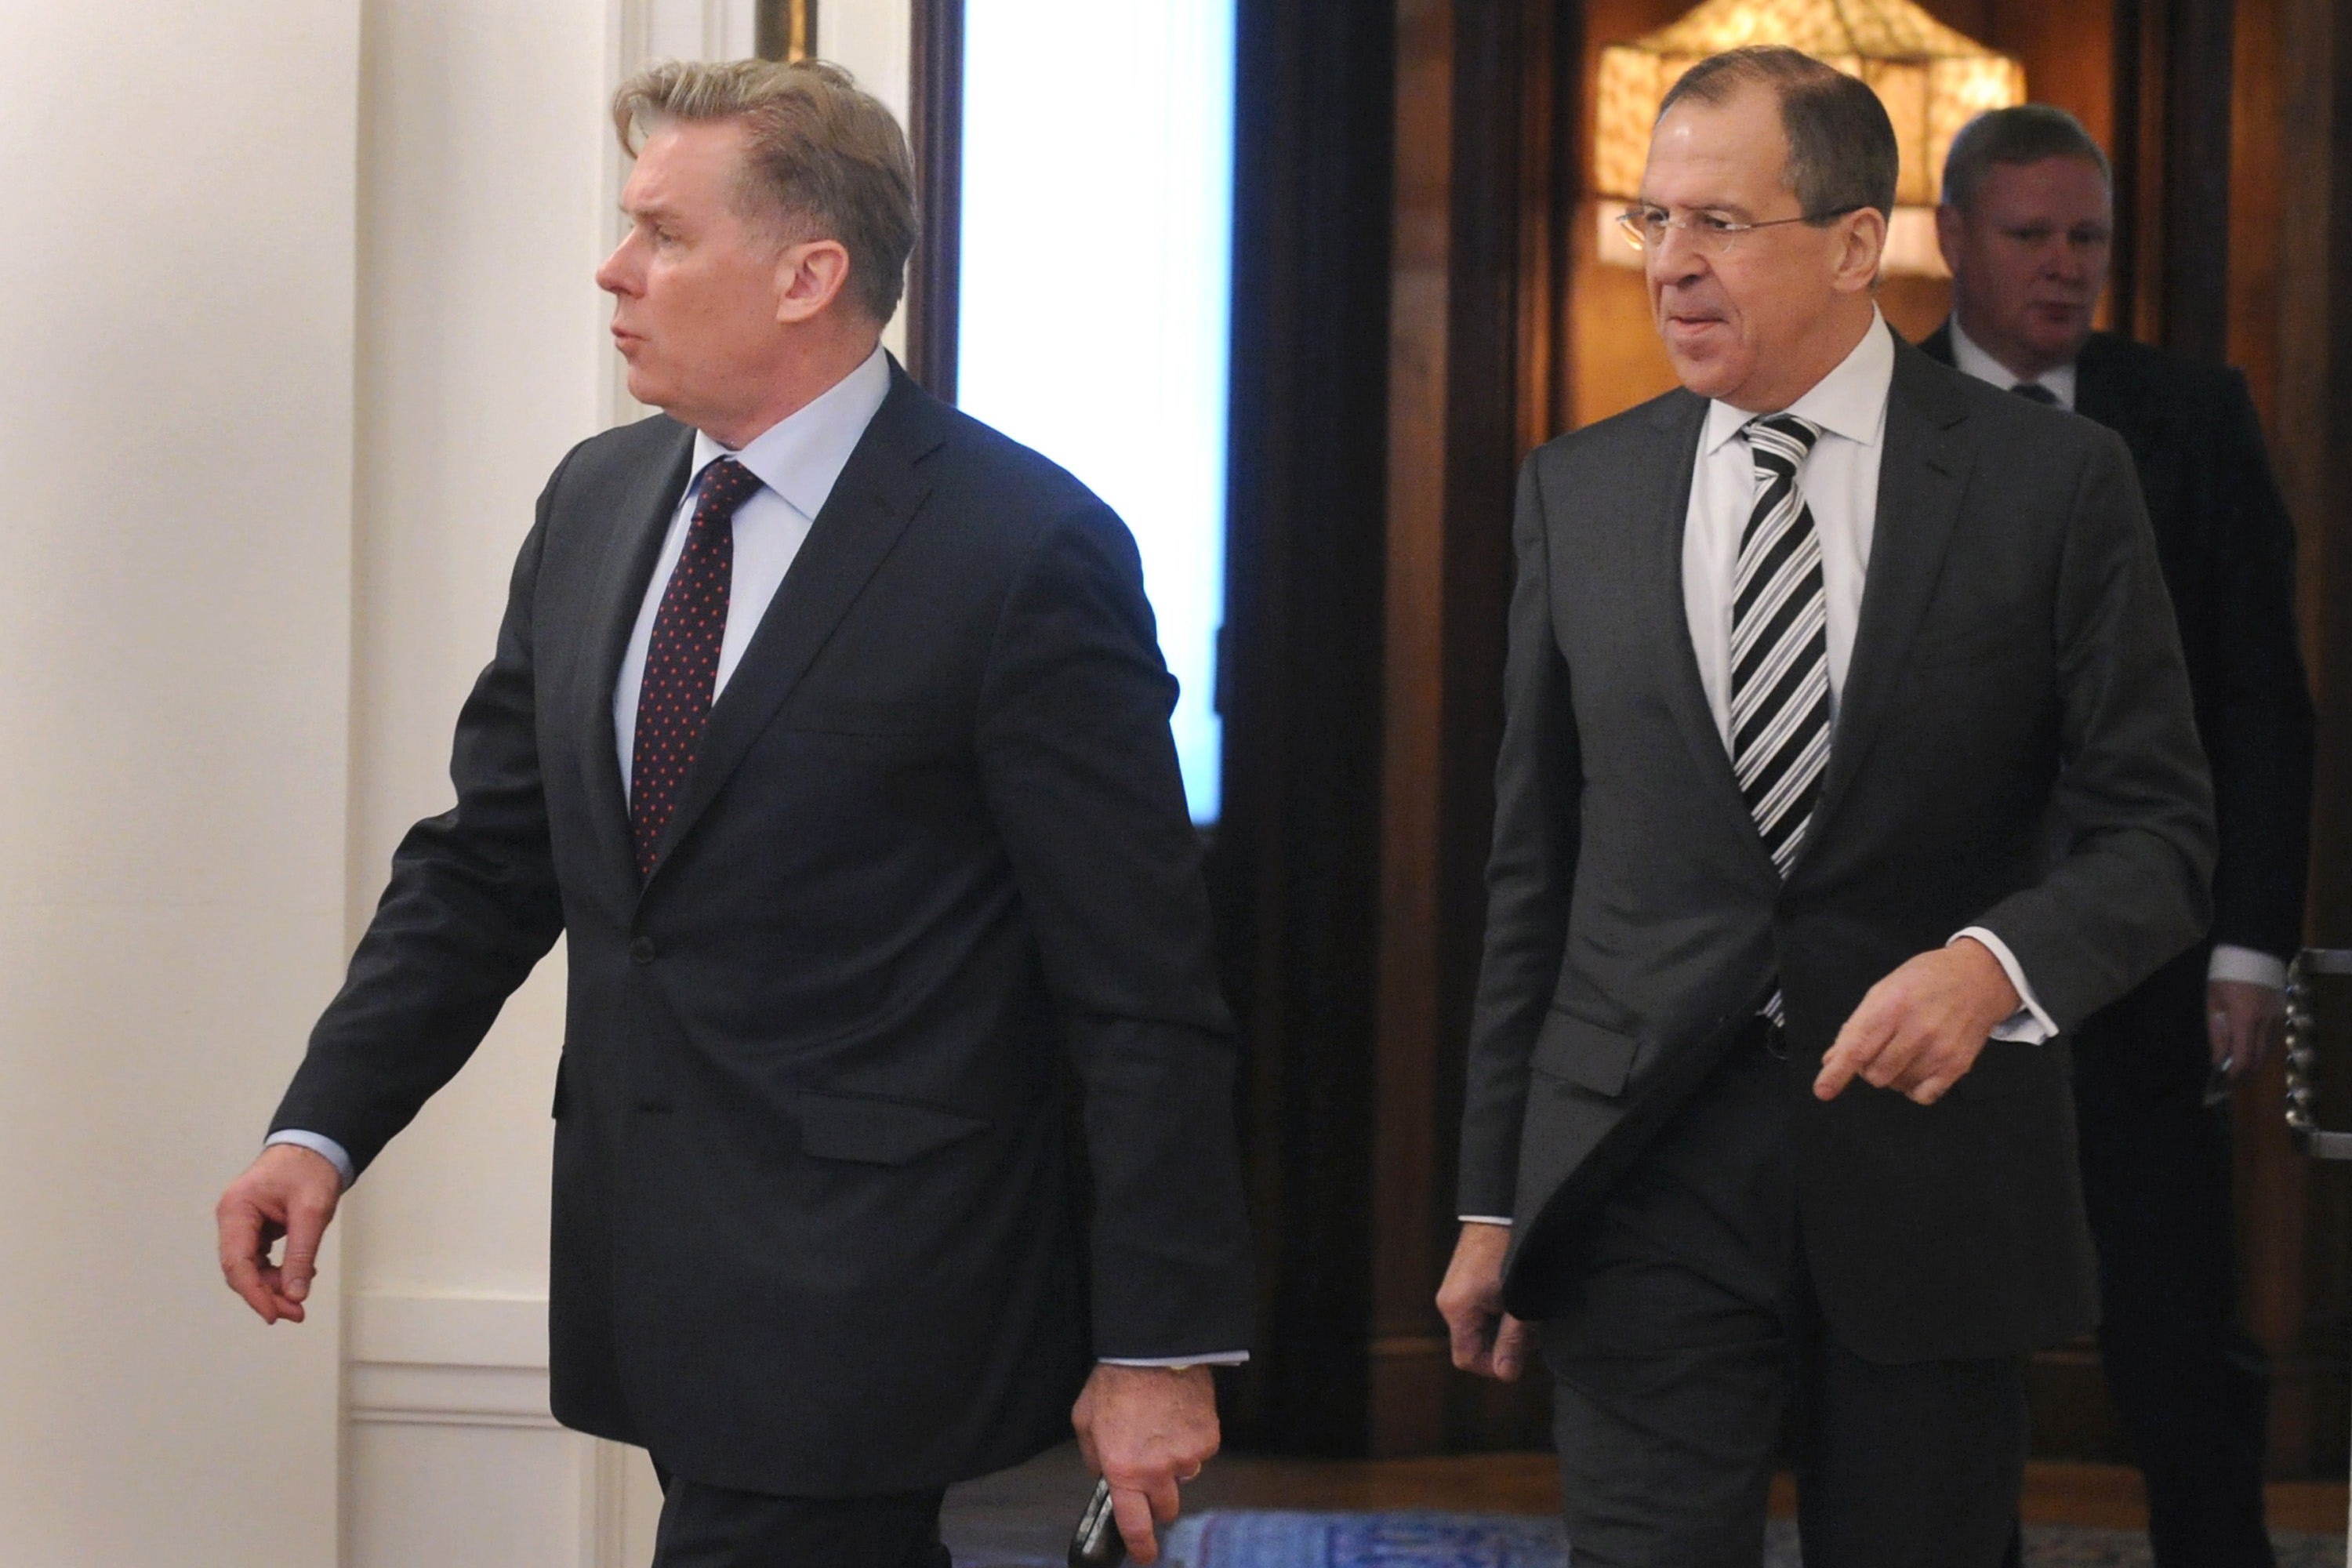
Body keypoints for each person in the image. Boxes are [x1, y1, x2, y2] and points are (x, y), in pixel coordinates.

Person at [212, 58, 1251, 1568]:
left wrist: (1161, 1340)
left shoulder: (1024, 549)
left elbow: (1140, 980)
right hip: (650, 1271)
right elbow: (487, 866)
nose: (613, 269)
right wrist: (324, 1127)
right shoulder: (596, 502)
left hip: (882, 1289)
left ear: (806, 276)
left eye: (663, 234)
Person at [1434, 47, 2216, 1568]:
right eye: (1655, 220)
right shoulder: (1578, 493)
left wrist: (1992, 967)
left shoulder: (2053, 484)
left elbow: (2162, 834)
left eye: (1720, 223)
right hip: (1638, 1166)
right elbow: (1536, 874)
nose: (1671, 263)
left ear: (1858, 244)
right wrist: (1490, 1198)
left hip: (1928, 1170)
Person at [1919, 103, 2314, 1568]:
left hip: (2149, 952)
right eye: (2030, 235)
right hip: (1938, 961)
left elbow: (2261, 698)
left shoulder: (2190, 413)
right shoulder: (1876, 412)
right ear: (1953, 239)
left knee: (2177, 1324)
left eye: (2087, 236)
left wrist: (2251, 945)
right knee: (1944, 1336)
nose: (2065, 265)